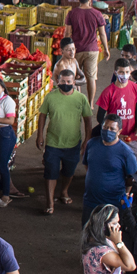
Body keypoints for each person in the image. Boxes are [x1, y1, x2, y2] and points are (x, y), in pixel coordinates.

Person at [39, 67, 90, 213]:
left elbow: (87, 120)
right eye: (63, 81)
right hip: (53, 143)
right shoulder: (51, 97)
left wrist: (87, 139)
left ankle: (64, 191)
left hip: (73, 143)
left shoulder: (81, 98)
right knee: (50, 172)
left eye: (69, 81)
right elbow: (42, 115)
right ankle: (50, 202)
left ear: (74, 82)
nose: (66, 84)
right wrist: (40, 135)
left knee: (69, 171)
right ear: (57, 82)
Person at [78, 119, 137, 216]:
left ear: (119, 132)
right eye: (105, 127)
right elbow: (87, 164)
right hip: (90, 201)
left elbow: (132, 178)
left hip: (113, 203)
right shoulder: (91, 144)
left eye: (112, 129)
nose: (108, 131)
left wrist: (126, 195)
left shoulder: (126, 153)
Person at [65, 0, 108, 101]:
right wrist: (106, 49)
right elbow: (102, 34)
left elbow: (67, 33)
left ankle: (78, 101)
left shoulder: (72, 13)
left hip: (76, 50)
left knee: (76, 77)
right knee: (91, 78)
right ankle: (90, 104)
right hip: (92, 50)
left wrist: (65, 49)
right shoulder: (97, 14)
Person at [94, 59, 137, 139]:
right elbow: (100, 117)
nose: (124, 75)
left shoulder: (136, 88)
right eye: (121, 72)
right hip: (113, 139)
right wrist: (112, 133)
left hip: (131, 137)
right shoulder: (108, 92)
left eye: (127, 72)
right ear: (115, 73)